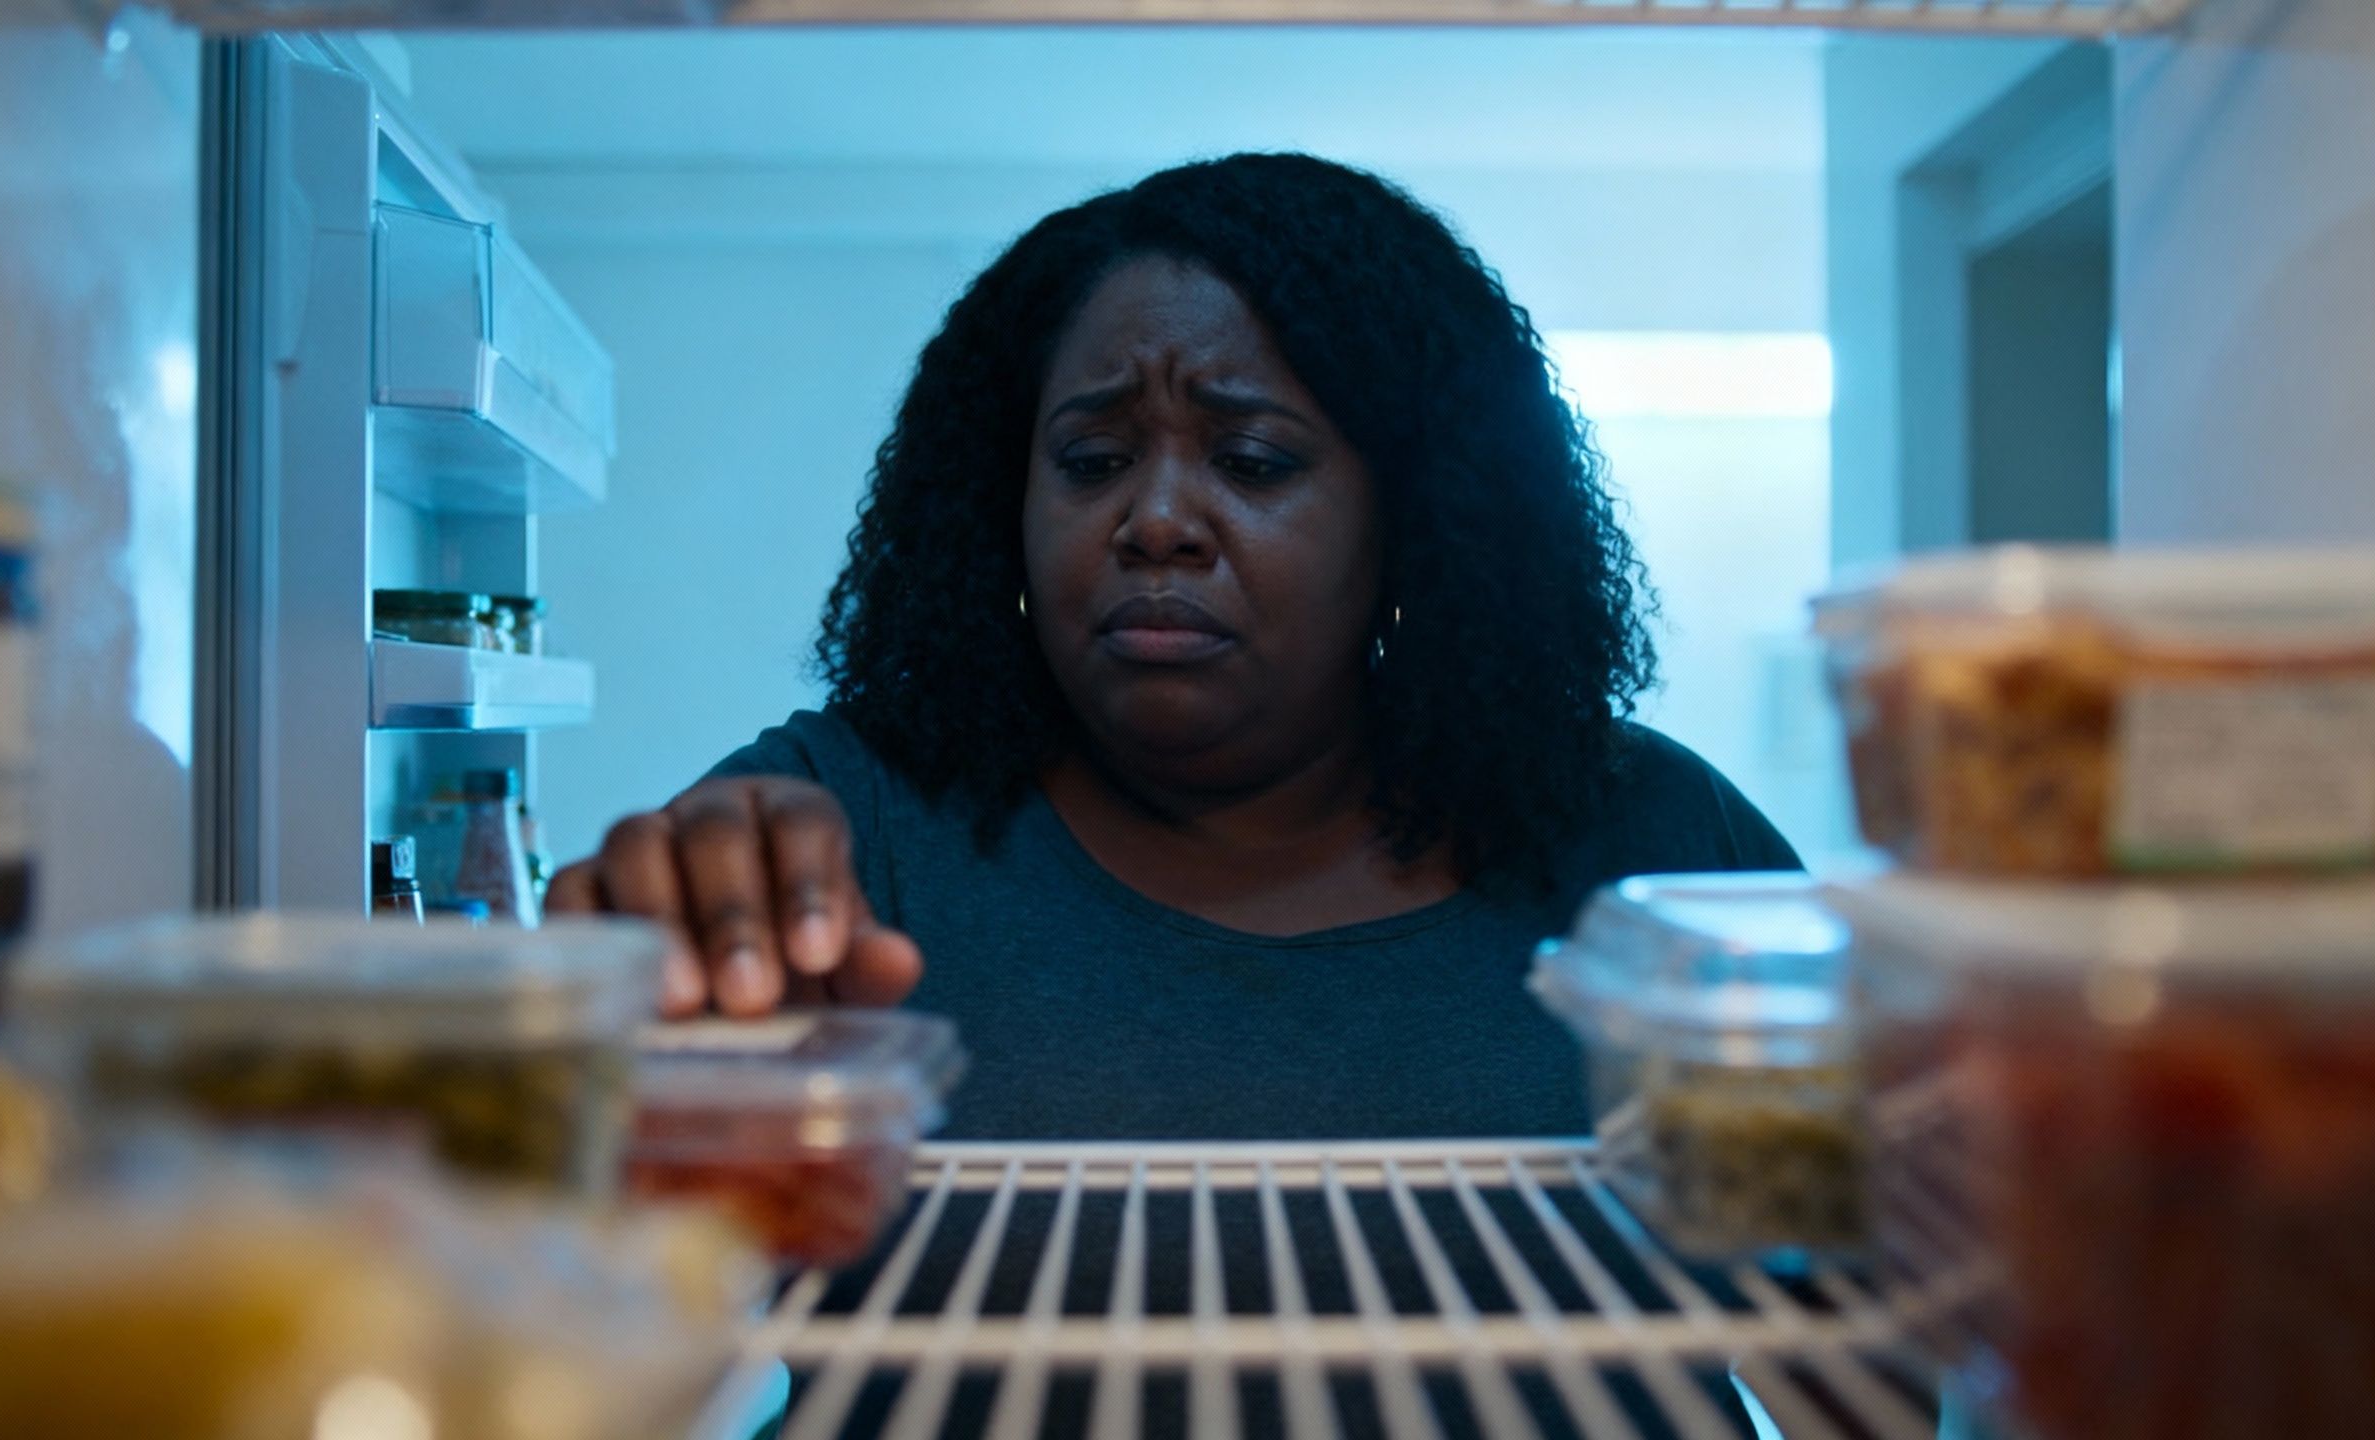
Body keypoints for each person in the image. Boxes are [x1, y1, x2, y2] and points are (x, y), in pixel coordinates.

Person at [547, 153, 1799, 1138]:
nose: (1153, 522)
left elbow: (1854, 1317)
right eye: (1091, 461)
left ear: (1416, 518)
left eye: (1251, 462)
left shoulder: (1656, 840)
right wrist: (614, 988)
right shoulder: (844, 826)